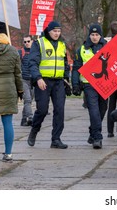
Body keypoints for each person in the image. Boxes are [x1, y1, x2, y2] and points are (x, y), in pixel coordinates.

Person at [27, 21, 71, 149]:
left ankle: (56, 139)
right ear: (49, 31)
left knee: (60, 111)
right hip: (43, 81)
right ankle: (34, 130)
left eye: (59, 31)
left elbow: (65, 63)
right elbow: (33, 63)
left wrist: (66, 78)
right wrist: (38, 78)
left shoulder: (62, 44)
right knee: (42, 110)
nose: (57, 33)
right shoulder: (39, 43)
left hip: (58, 82)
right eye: (54, 31)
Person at [0, 21, 23, 162]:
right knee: (8, 122)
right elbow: (18, 74)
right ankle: (8, 154)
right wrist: (20, 90)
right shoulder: (13, 51)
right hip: (9, 90)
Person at [72, 24, 108, 149]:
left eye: (97, 35)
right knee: (94, 111)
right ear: (89, 35)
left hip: (104, 84)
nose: (94, 37)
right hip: (88, 84)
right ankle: (98, 138)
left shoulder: (107, 47)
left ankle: (93, 131)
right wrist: (75, 84)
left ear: (100, 35)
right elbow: (76, 68)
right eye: (92, 35)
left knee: (103, 109)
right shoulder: (82, 49)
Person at [18, 35, 34, 126]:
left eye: (28, 41)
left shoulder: (36, 52)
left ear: (32, 41)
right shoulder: (21, 52)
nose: (27, 43)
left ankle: (24, 119)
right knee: (27, 99)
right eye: (25, 42)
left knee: (29, 100)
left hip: (33, 80)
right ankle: (30, 117)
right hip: (23, 79)